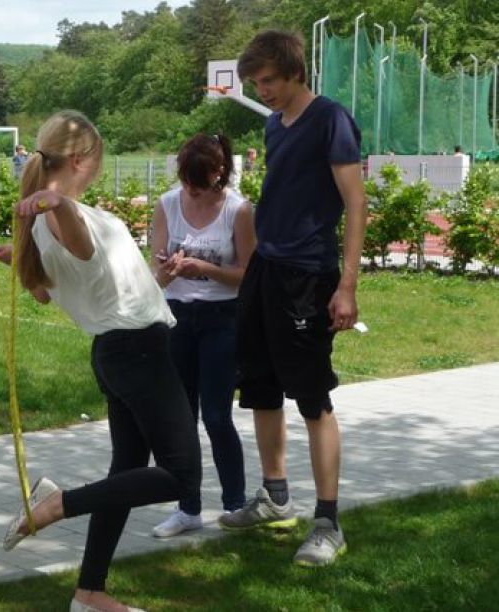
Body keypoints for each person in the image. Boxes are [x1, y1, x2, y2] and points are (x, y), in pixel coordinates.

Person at [0, 110, 202, 612]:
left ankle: (89, 593)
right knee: (180, 476)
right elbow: (82, 246)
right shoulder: (66, 217)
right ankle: (54, 504)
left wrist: (158, 280)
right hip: (138, 352)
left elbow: (53, 290)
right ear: (82, 159)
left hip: (120, 350)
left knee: (125, 473)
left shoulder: (44, 225)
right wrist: (60, 203)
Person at [217, 30, 368, 567]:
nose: (263, 91)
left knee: (312, 398)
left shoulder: (331, 119)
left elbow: (356, 204)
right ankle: (274, 495)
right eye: (256, 83)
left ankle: (328, 522)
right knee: (259, 388)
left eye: (269, 81)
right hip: (266, 269)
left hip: (308, 275)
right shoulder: (273, 124)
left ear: (295, 72)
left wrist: (346, 285)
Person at [149, 133, 255, 538]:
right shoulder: (167, 204)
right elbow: (156, 269)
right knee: (181, 418)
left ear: (218, 173)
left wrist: (205, 269)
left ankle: (235, 504)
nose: (190, 191)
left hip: (221, 319)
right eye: (186, 182)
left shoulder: (238, 210)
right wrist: (168, 269)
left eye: (199, 183)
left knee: (216, 415)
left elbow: (248, 274)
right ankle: (187, 507)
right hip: (177, 317)